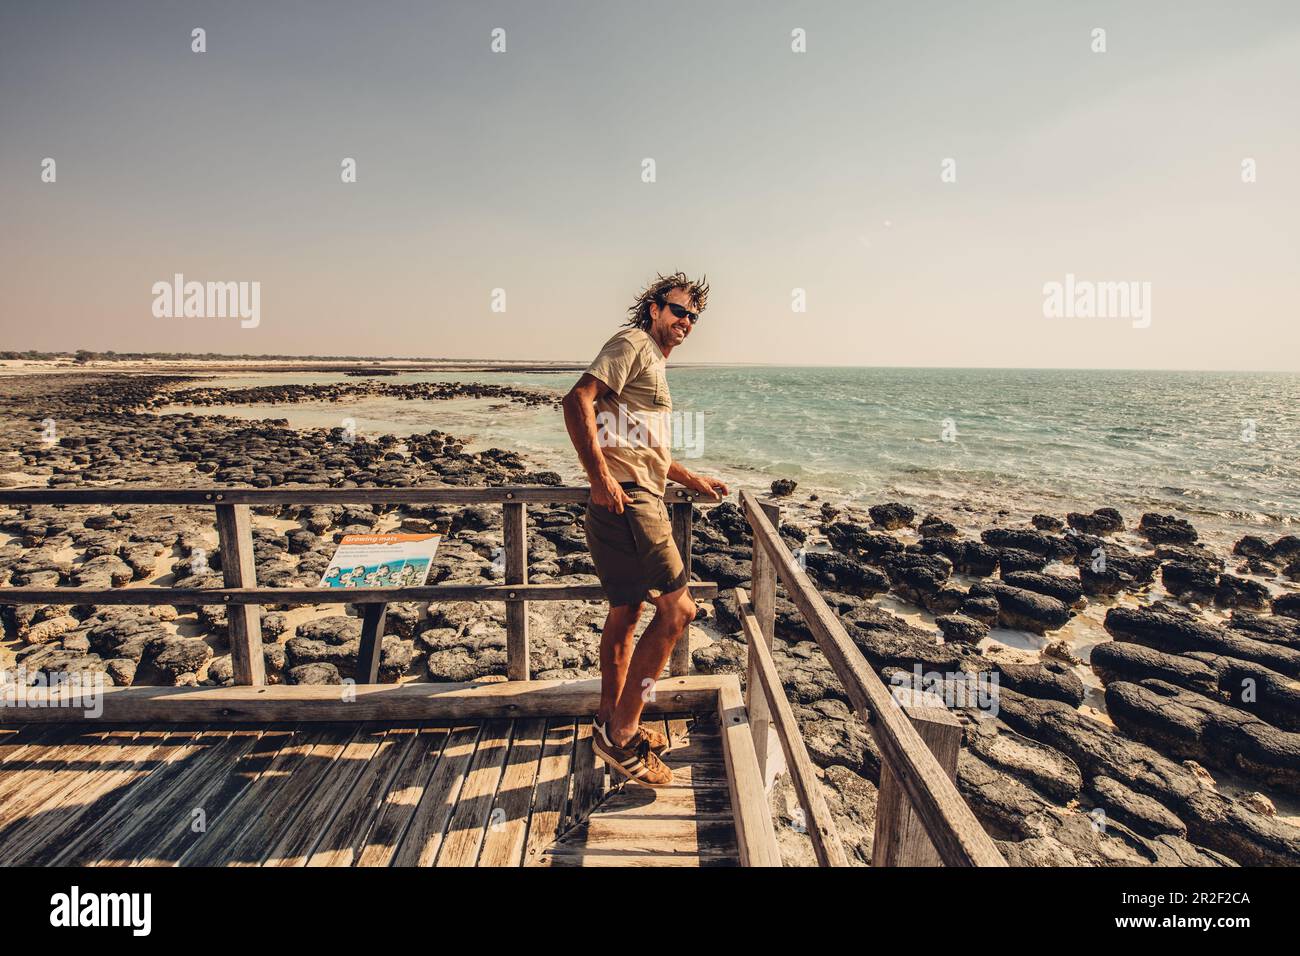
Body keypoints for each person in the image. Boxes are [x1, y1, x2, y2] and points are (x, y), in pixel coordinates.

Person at [561, 272, 729, 786]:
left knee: (627, 611)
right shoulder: (635, 343)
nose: (686, 321)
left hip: (625, 497)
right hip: (632, 500)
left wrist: (691, 478)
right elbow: (576, 399)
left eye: (693, 316)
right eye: (678, 310)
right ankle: (624, 734)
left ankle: (608, 720)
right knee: (679, 610)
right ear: (654, 309)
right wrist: (599, 478)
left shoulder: (650, 360)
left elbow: (641, 446)